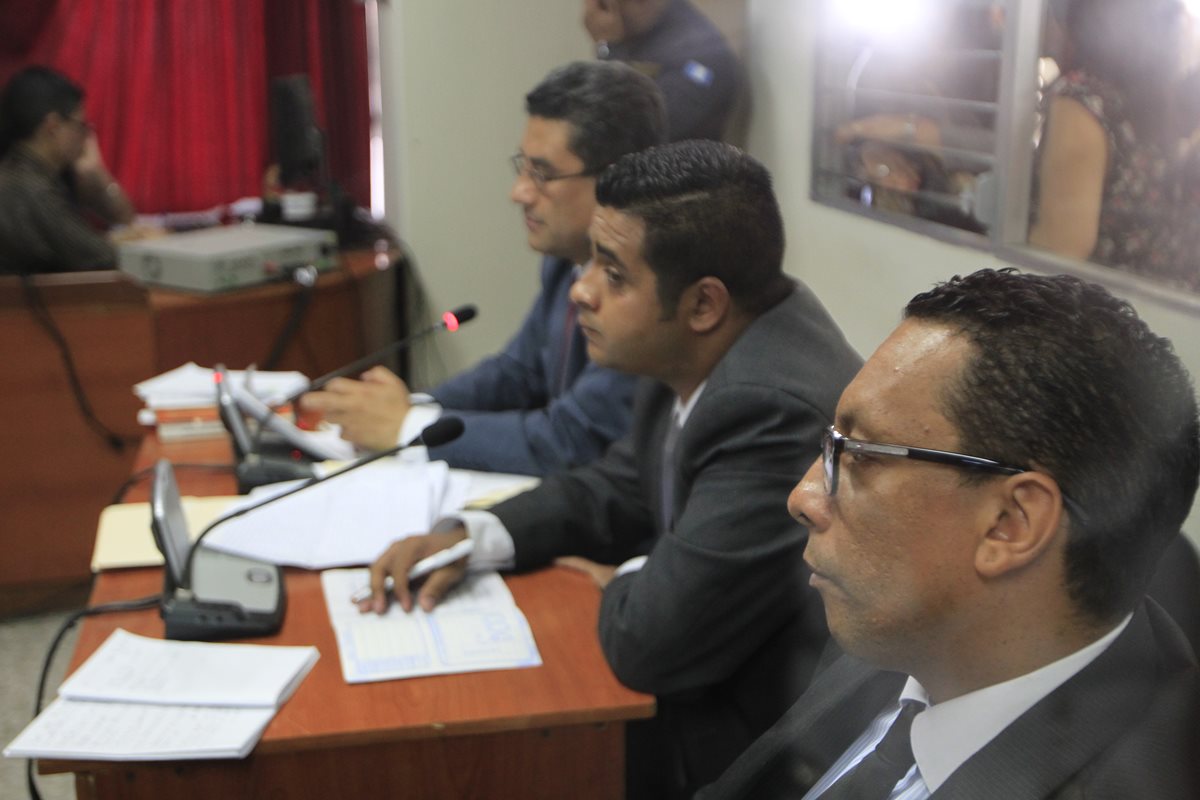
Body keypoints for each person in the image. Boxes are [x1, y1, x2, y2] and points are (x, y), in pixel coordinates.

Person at [359, 140, 863, 798]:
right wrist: (474, 535)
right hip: (690, 692)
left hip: (743, 749)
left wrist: (628, 574)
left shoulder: (771, 409)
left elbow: (652, 641)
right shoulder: (693, 342)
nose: (581, 291)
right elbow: (620, 484)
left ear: (703, 304)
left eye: (613, 274)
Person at [699, 268, 1200, 799]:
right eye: (832, 444)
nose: (803, 498)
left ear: (1010, 524)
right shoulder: (913, 630)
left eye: (862, 455)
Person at [300, 61, 666, 476]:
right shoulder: (565, 262)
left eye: (542, 174)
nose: (519, 192)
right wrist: (412, 409)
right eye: (523, 167)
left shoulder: (650, 293)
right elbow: (517, 372)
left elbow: (570, 441)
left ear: (616, 178)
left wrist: (408, 426)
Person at [1029, 0, 1191, 284]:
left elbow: (1061, 248)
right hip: (1164, 313)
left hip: (1099, 315)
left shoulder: (1083, 99)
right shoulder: (1159, 101)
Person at [0, 65, 145, 274]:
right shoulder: (30, 187)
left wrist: (97, 175)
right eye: (81, 125)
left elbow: (123, 217)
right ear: (53, 126)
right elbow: (102, 258)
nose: (86, 136)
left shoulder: (23, 173)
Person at [583, 0, 739, 141]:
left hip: (679, 168)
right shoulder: (637, 33)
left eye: (603, 5)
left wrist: (610, 47)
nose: (596, 14)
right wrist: (607, 45)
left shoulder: (700, 51)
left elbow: (642, 130)